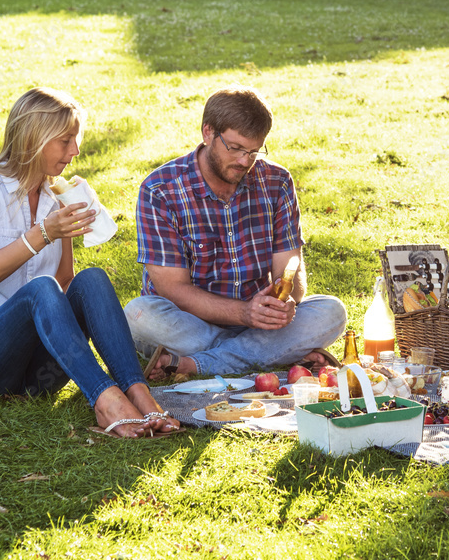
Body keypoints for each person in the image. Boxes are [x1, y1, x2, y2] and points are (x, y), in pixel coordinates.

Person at [0, 88, 179, 438]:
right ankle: (106, 401)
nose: (75, 151)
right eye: (65, 141)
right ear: (33, 139)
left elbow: (68, 284)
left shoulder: (56, 200)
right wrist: (44, 232)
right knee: (40, 290)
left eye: (76, 140)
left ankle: (138, 392)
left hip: (33, 377)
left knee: (92, 279)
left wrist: (82, 221)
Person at [124, 85, 347, 379]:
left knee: (331, 312)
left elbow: (290, 270)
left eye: (254, 151)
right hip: (190, 321)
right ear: (208, 133)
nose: (245, 160)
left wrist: (284, 303)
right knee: (139, 315)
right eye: (236, 148)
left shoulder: (276, 181)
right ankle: (269, 354)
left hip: (259, 322)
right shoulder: (160, 190)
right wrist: (244, 313)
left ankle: (196, 364)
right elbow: (172, 289)